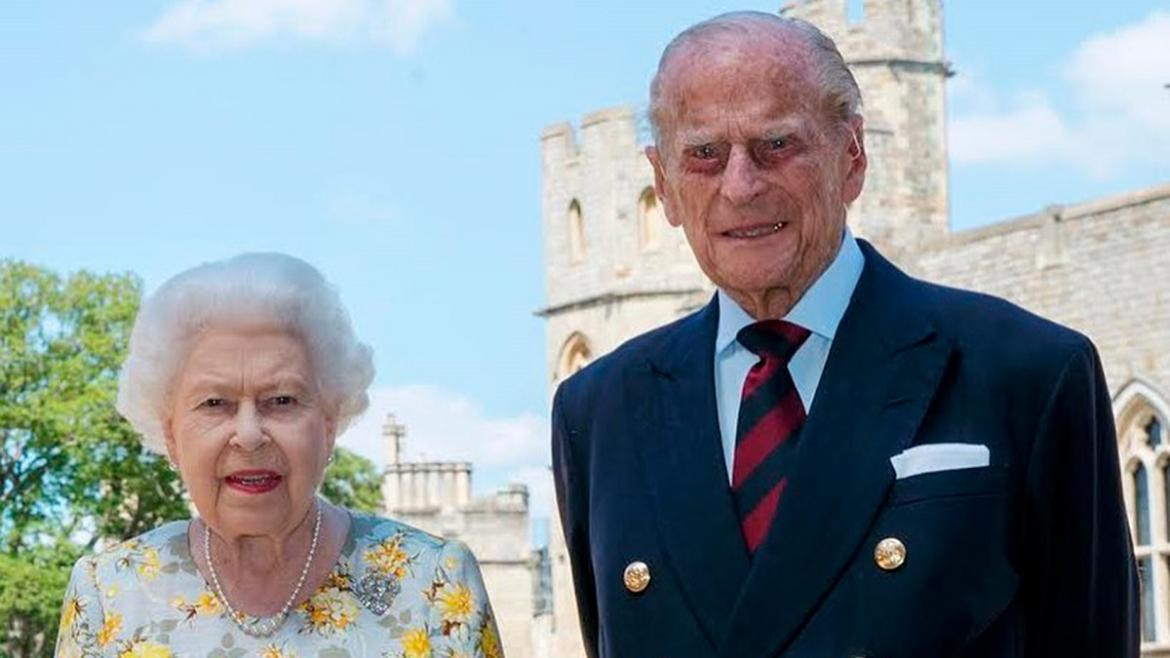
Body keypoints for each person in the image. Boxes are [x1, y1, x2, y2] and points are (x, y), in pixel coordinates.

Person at [551, 11, 1137, 658]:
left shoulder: (1028, 374)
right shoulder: (599, 412)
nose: (740, 187)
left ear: (851, 158)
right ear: (661, 185)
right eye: (704, 155)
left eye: (777, 145)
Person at [55, 253, 502, 658]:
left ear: (329, 423)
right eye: (215, 403)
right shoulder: (108, 592)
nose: (249, 435)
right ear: (171, 434)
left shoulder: (434, 584)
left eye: (282, 400)